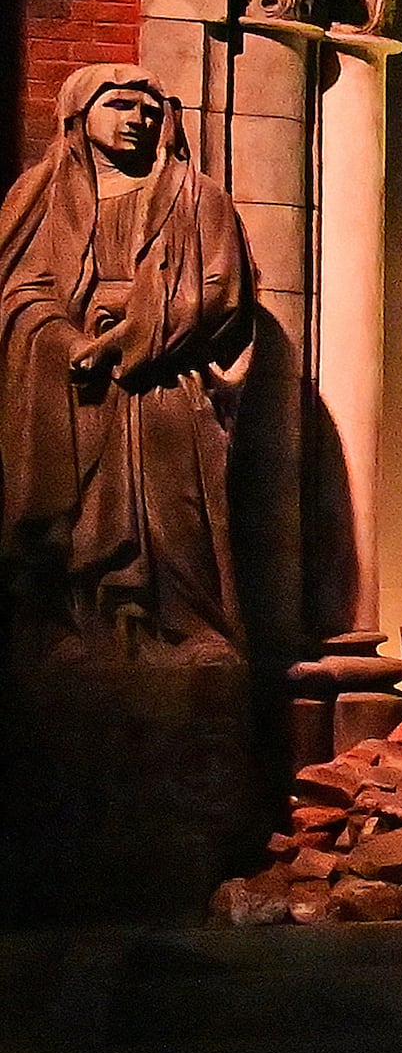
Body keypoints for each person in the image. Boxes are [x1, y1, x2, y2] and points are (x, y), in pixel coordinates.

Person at [0, 67, 259, 655]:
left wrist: (133, 336)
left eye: (149, 110)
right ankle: (63, 624)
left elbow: (221, 291)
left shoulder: (197, 197)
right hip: (68, 382)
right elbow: (17, 291)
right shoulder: (37, 196)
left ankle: (185, 627)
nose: (138, 120)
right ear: (78, 114)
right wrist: (66, 340)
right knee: (71, 509)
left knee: (176, 509)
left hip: (164, 378)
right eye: (119, 105)